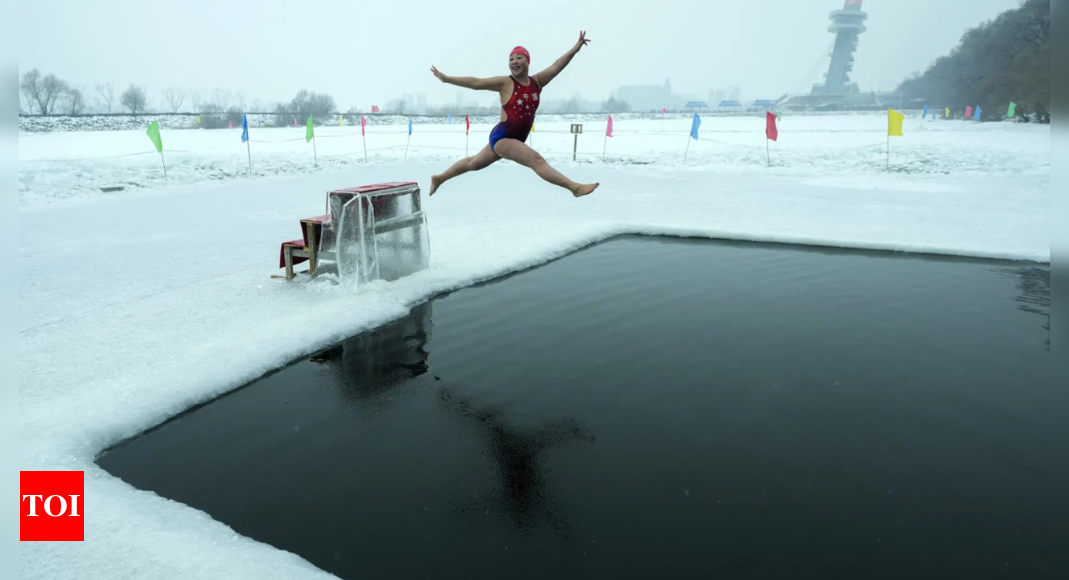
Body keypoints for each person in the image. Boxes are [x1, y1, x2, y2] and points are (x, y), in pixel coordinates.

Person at [428, 32, 599, 198]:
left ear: (528, 61)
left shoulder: (537, 82)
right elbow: (476, 83)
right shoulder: (506, 83)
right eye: (511, 59)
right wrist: (447, 78)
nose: (514, 61)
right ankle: (574, 187)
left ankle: (439, 178)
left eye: (519, 57)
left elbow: (556, 66)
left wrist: (575, 49)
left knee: (472, 163)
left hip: (514, 139)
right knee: (536, 159)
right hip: (502, 138)